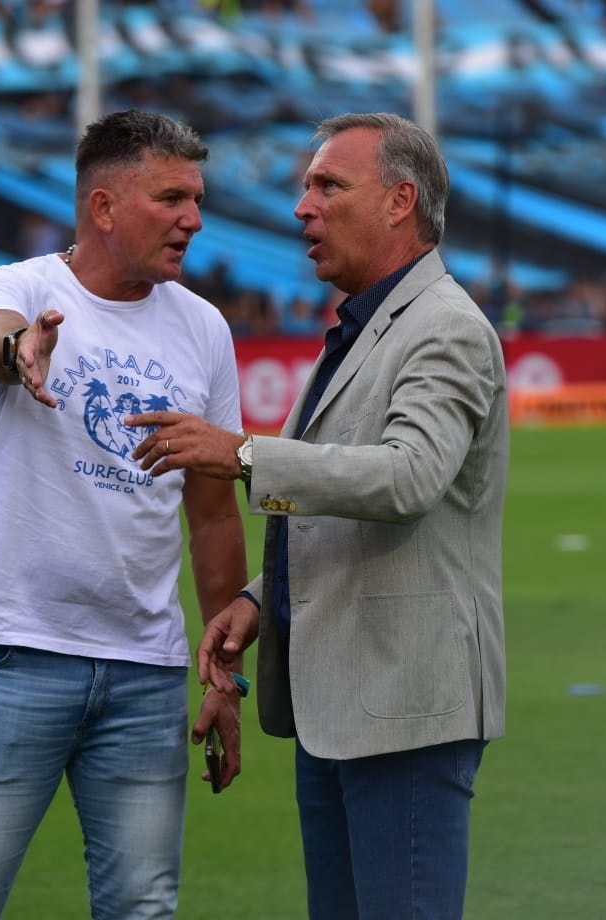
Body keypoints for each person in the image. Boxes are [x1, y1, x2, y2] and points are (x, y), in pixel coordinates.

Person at [124, 111, 509, 919]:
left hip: (405, 708)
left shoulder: (445, 329)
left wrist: (244, 455)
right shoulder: (363, 326)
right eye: (306, 186)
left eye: (328, 185)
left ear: (401, 201)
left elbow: (409, 480)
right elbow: (344, 507)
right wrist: (259, 600)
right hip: (337, 705)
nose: (303, 206)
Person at [0, 110, 250, 920]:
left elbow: (211, 514)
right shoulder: (19, 290)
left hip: (145, 672)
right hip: (12, 655)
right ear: (103, 207)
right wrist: (17, 348)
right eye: (171, 198)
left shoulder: (203, 327)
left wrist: (225, 679)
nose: (194, 220)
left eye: (197, 199)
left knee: (143, 909)